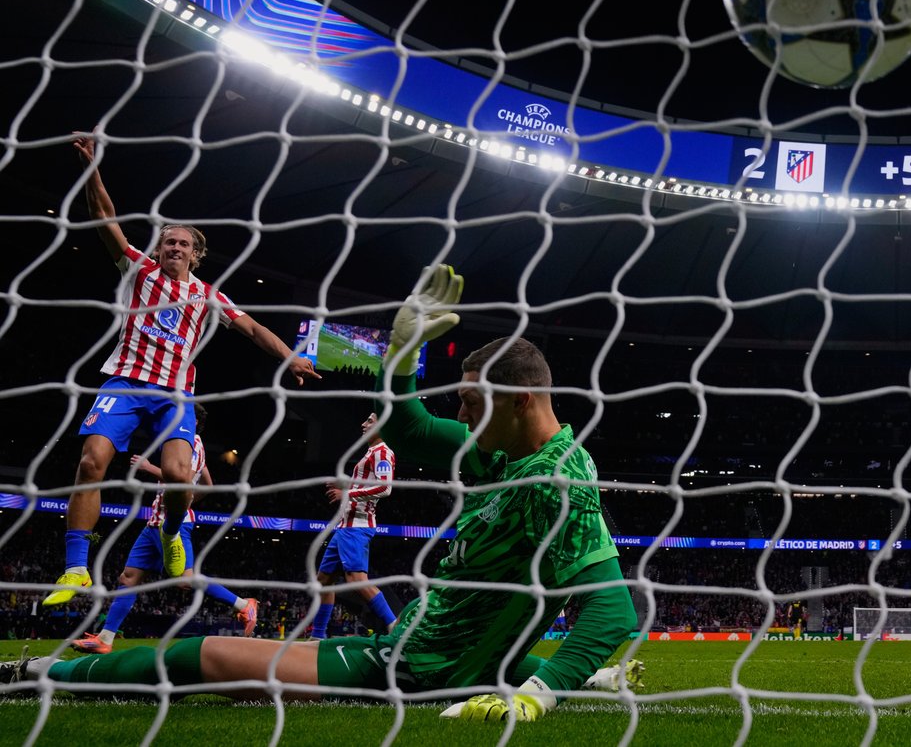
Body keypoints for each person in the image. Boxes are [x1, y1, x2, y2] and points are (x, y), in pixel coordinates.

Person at [7, 265, 641, 724]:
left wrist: (537, 694)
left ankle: (40, 676)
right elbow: (409, 425)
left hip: (415, 672)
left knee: (210, 656)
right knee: (256, 665)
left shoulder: (559, 476)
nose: (462, 412)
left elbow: (614, 610)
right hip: (411, 649)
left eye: (471, 402)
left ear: (521, 400)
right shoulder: (496, 449)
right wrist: (401, 354)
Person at [47, 135, 319, 607]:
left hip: (175, 394)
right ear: (159, 247)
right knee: (91, 462)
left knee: (178, 476)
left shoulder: (208, 295)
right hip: (127, 382)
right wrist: (91, 168)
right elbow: (103, 218)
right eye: (168, 240)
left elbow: (252, 329)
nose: (173, 247)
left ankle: (172, 532)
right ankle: (75, 568)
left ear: (196, 255)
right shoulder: (138, 270)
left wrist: (290, 357)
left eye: (182, 244)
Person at [71, 404, 259, 653]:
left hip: (174, 523)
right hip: (155, 522)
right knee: (128, 578)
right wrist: (189, 499)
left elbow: (183, 475)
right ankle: (105, 639)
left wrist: (149, 469)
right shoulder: (182, 443)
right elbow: (207, 483)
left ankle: (243, 605)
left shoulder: (190, 442)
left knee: (185, 579)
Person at [308, 412, 398, 638]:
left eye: (370, 420)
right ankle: (317, 636)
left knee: (357, 581)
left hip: (357, 526)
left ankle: (394, 625)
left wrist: (347, 492)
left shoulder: (383, 452)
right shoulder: (370, 452)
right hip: (345, 526)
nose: (363, 423)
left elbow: (385, 488)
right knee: (324, 581)